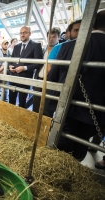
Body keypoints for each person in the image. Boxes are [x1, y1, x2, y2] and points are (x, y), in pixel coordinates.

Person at [47, 9, 105, 161]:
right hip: (95, 111)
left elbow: (52, 77)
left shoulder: (68, 46)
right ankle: (74, 170)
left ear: (91, 24)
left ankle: (58, 172)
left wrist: (52, 105)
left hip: (66, 108)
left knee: (62, 143)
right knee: (81, 145)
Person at [8, 26, 43, 108]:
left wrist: (24, 68)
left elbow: (39, 63)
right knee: (11, 100)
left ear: (29, 34)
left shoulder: (36, 45)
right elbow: (11, 60)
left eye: (25, 32)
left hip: (25, 78)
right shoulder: (16, 46)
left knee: (22, 102)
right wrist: (10, 66)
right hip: (13, 77)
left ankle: (20, 119)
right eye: (21, 33)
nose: (22, 35)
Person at [32, 27, 61, 113]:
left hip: (51, 82)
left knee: (48, 108)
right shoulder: (42, 49)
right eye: (49, 37)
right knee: (36, 105)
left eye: (54, 37)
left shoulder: (61, 50)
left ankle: (45, 126)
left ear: (59, 37)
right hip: (39, 80)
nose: (51, 39)